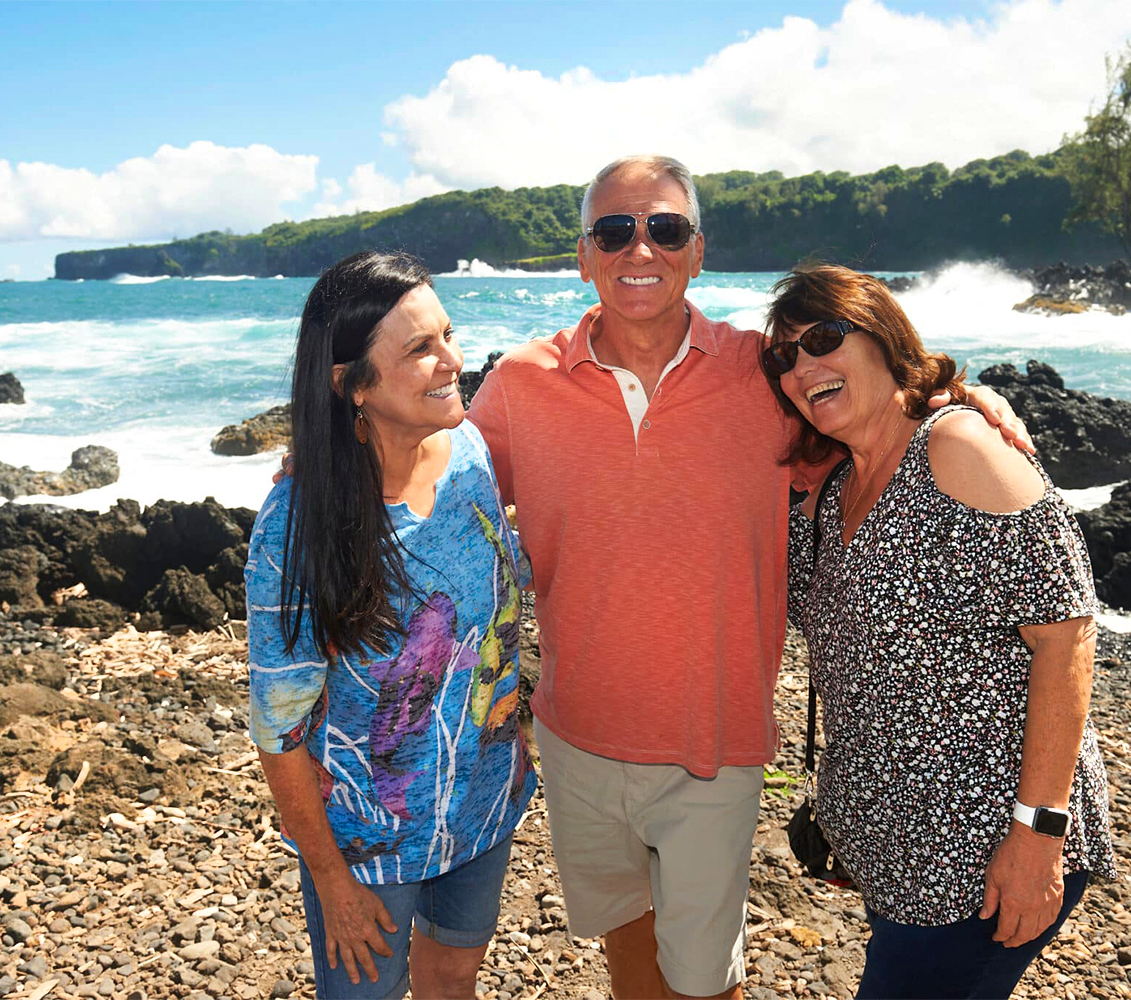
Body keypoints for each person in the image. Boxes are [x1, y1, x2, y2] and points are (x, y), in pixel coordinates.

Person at [464, 155, 1033, 1000]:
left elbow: (876, 412)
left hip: (713, 746)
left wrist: (961, 396)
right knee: (629, 953)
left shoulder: (765, 377)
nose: (640, 249)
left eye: (665, 228)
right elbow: (441, 486)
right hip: (575, 735)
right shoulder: (520, 385)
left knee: (704, 981)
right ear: (583, 256)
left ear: (698, 251)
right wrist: (335, 453)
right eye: (614, 231)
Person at [768, 263, 1118, 1000]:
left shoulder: (957, 449)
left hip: (984, 855)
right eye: (784, 357)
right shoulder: (831, 488)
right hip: (899, 859)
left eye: (825, 339)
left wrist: (1037, 836)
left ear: (886, 338)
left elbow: (1068, 639)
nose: (803, 367)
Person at [245, 250, 535, 1000]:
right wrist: (331, 880)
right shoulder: (298, 524)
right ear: (351, 386)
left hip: (484, 802)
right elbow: (279, 728)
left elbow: (497, 617)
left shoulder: (471, 450)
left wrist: (521, 717)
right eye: (420, 349)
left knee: (453, 980)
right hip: (369, 842)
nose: (454, 360)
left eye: (448, 333)